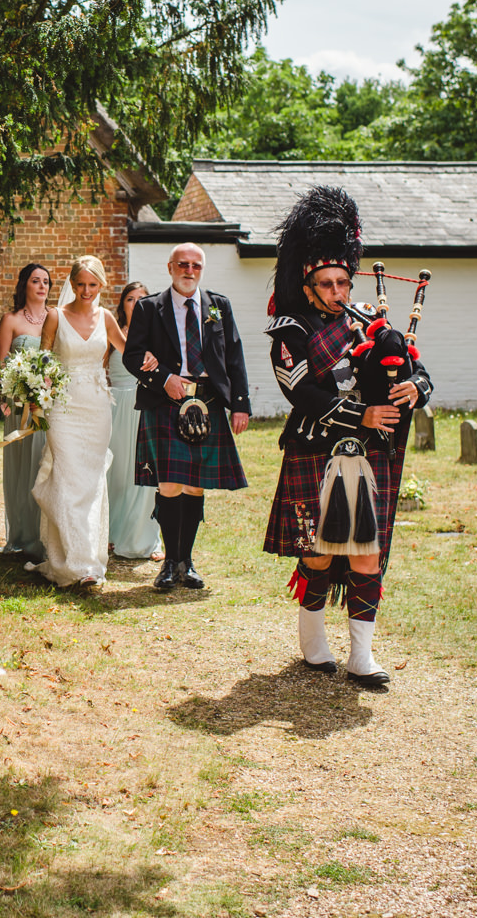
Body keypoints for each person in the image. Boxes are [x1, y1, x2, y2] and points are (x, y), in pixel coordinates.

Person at [261, 186, 431, 687]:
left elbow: (419, 370)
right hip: (316, 448)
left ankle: (362, 656)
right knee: (315, 551)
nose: (339, 291)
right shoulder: (289, 328)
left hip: (370, 456)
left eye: (344, 281)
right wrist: (363, 414)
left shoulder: (370, 321)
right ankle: (314, 646)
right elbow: (300, 392)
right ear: (308, 284)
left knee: (367, 552)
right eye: (328, 283)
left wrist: (412, 390)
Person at [122, 243, 252, 591]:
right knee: (169, 484)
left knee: (195, 483)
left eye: (196, 265)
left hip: (207, 401)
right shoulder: (150, 308)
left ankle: (187, 561)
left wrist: (241, 404)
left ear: (201, 269)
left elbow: (234, 355)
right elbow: (132, 355)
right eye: (183, 264)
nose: (189, 270)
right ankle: (168, 563)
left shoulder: (218, 306)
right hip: (165, 402)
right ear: (170, 267)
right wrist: (164, 378)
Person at [29, 255, 133, 587]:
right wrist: (35, 395)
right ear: (71, 284)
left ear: (101, 285)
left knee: (91, 481)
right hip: (63, 407)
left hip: (97, 407)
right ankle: (75, 564)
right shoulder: (55, 316)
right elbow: (43, 360)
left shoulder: (105, 318)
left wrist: (154, 354)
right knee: (69, 477)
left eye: (93, 284)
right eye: (80, 284)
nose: (86, 290)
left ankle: (87, 561)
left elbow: (128, 351)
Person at [0, 263, 51, 558]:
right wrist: (17, 392)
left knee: (46, 467)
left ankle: (48, 535)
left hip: (50, 406)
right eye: (35, 281)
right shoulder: (11, 320)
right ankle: (24, 536)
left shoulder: (56, 319)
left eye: (46, 281)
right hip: (20, 406)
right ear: (24, 286)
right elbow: (2, 363)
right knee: (24, 470)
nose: (42, 286)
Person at [107, 282, 164, 562]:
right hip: (116, 409)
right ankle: (111, 533)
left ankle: (148, 539)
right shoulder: (112, 333)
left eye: (143, 298)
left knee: (146, 476)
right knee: (116, 473)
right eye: (131, 299)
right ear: (123, 305)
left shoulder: (158, 337)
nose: (137, 303)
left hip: (145, 408)